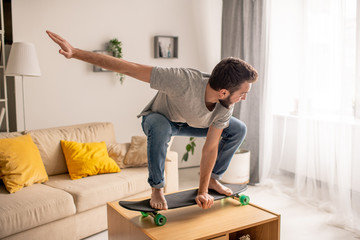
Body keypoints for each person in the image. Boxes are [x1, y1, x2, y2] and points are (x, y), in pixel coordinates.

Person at [46, 30, 258, 211]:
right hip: (160, 119)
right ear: (223, 92)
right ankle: (157, 188)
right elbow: (128, 67)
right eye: (242, 93)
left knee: (238, 129)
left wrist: (203, 190)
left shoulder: (224, 107)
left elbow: (210, 148)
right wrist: (75, 52)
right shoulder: (182, 80)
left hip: (190, 124)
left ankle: (214, 178)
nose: (244, 98)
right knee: (159, 124)